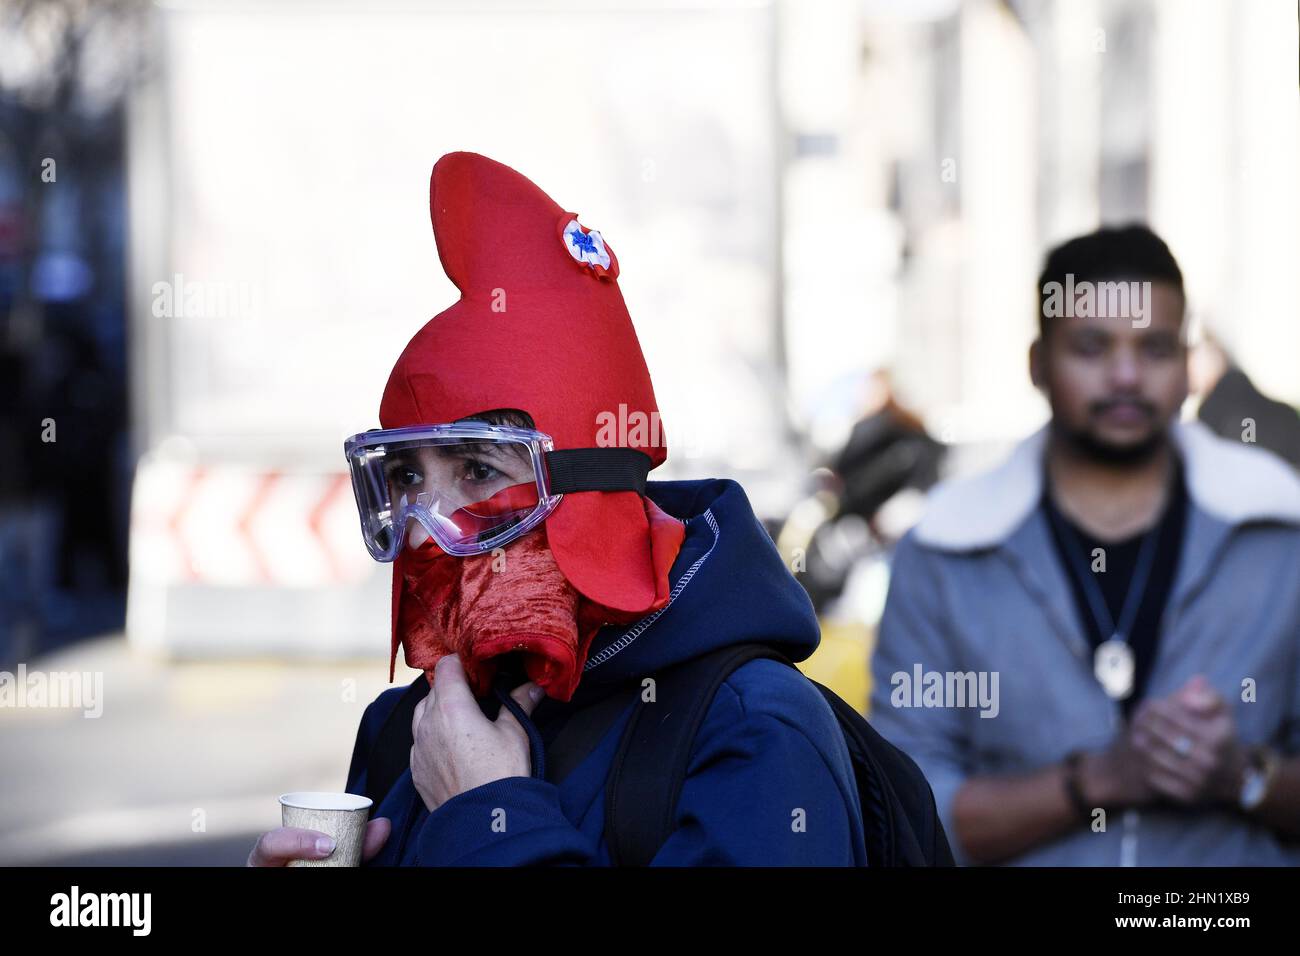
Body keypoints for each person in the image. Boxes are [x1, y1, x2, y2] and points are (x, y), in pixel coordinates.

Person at [248, 151, 867, 866]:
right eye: (406, 479)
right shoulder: (408, 732)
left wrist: (489, 817)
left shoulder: (753, 731)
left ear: (586, 480)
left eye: (478, 470)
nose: (428, 523)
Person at [869, 224, 1300, 865]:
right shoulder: (945, 547)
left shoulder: (1277, 532)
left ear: (1188, 367)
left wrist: (1241, 774)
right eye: (1092, 348)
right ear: (1038, 363)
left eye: (1155, 348)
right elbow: (905, 809)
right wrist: (1096, 780)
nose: (1126, 376)